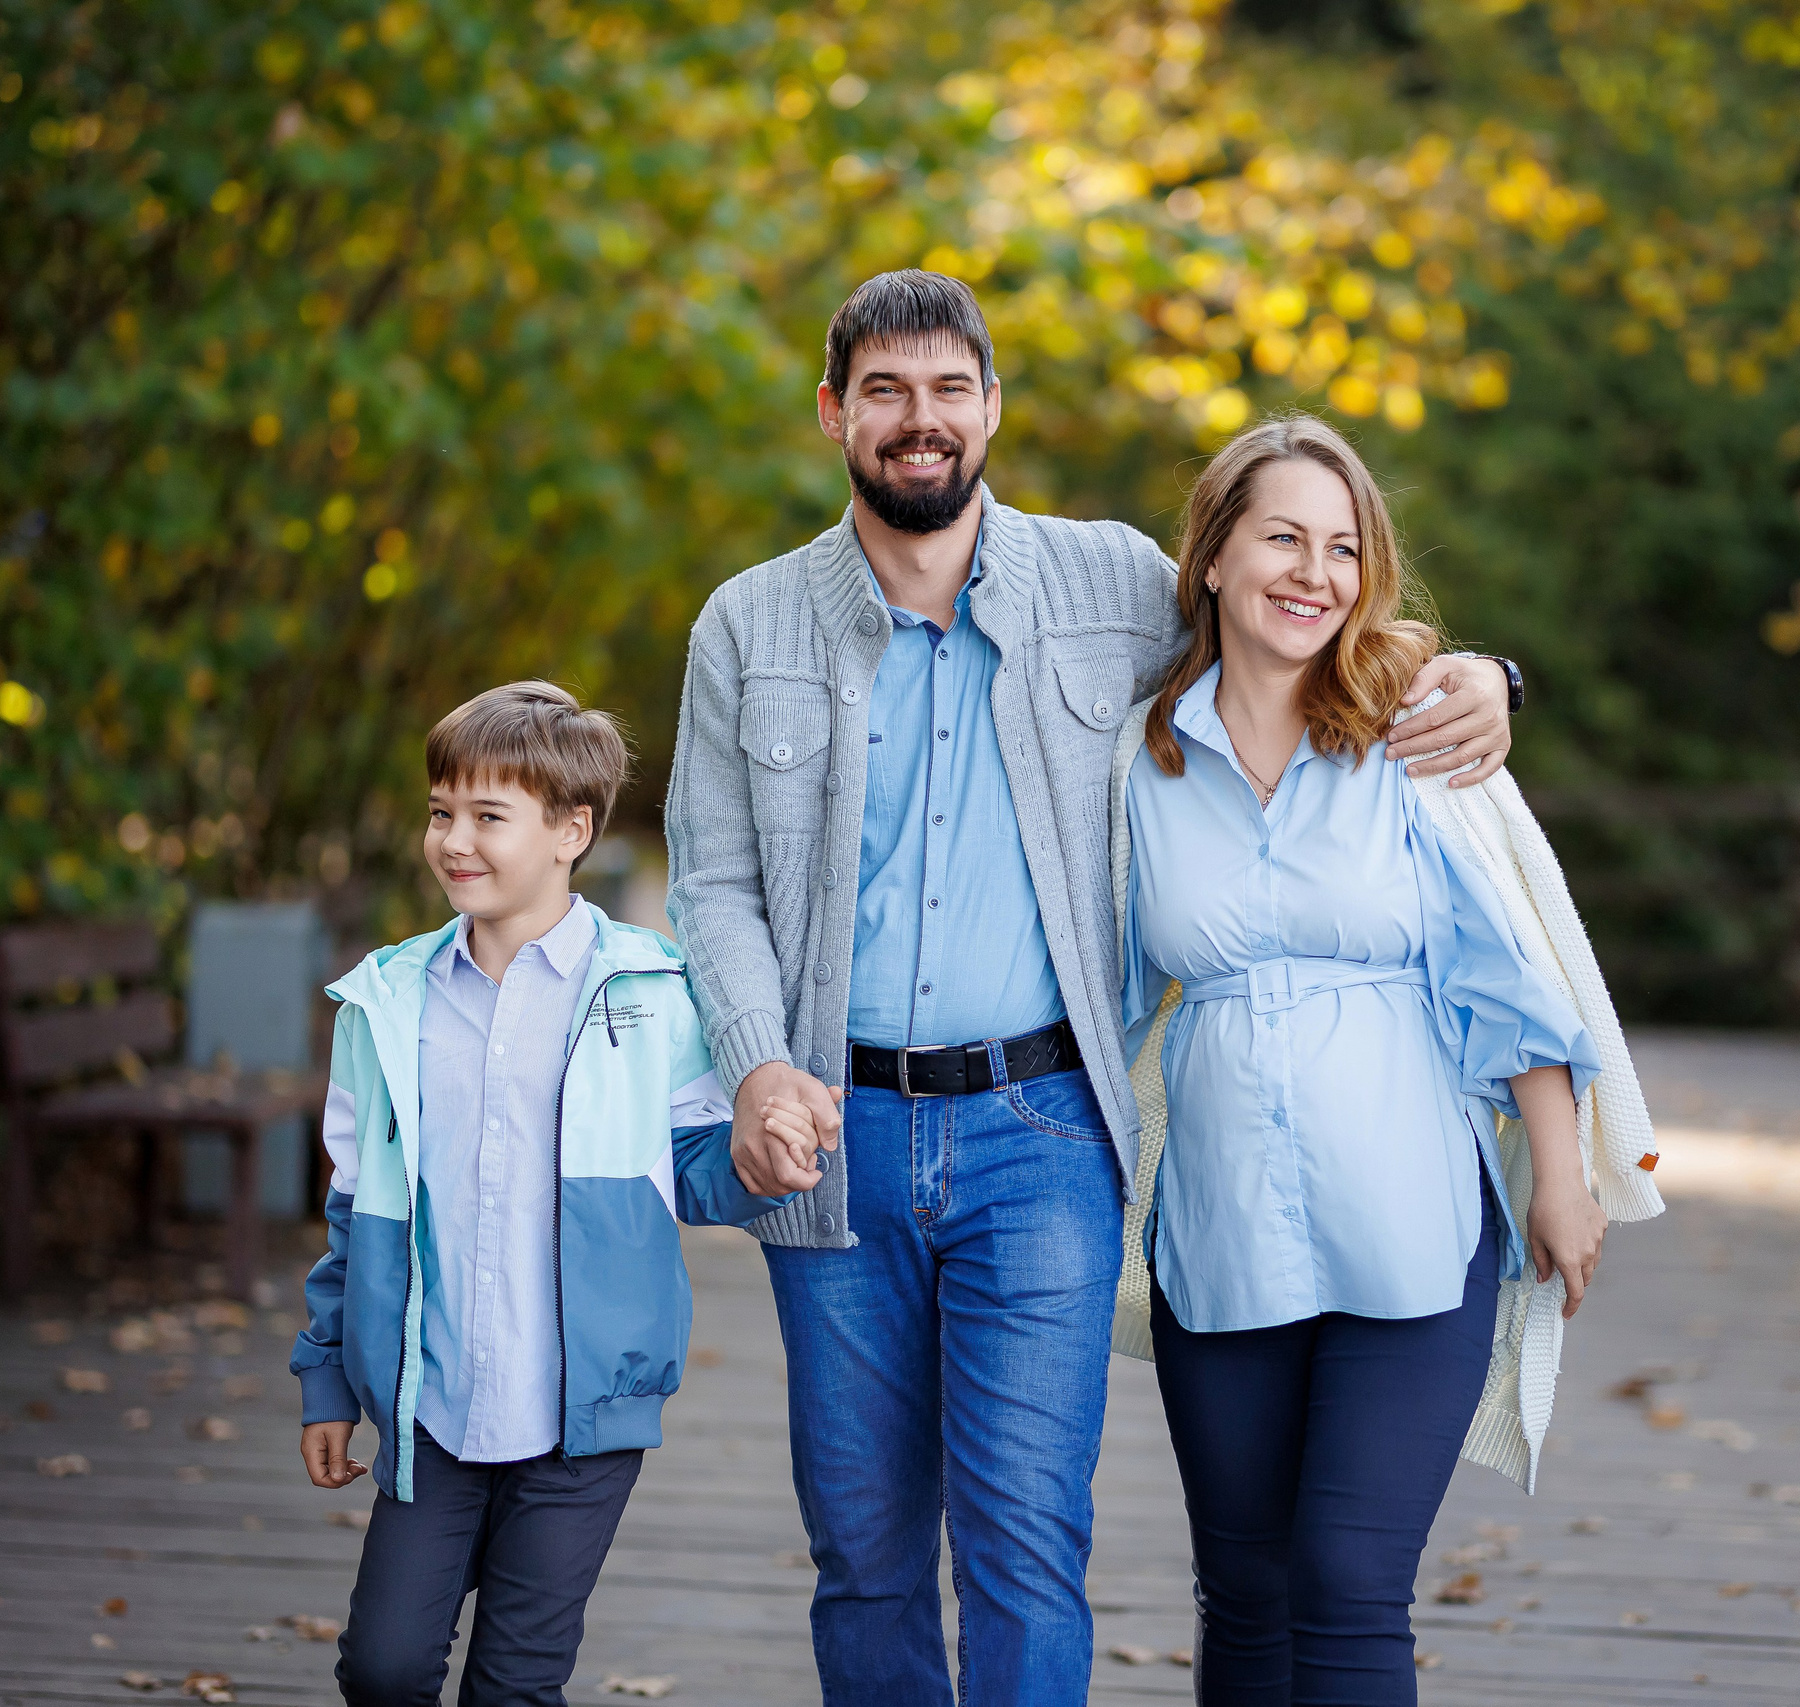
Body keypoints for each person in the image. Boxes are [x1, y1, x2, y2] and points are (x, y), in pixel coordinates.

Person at [662, 271, 1523, 1705]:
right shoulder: (748, 626)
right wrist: (755, 1063)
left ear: (993, 407)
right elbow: (714, 883)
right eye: (885, 390)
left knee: (1025, 1545)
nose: (919, 420)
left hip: (1042, 1126)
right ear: (834, 413)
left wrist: (1487, 670)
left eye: (950, 389)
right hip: (833, 1133)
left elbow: (1294, 621)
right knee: (864, 1547)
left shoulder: (1113, 581)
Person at [1102, 415, 1663, 1702]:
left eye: (1344, 548)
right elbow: (1107, 987)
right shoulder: (1137, 760)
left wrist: (1561, 1177)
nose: (1316, 573)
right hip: (1222, 1236)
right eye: (1284, 537)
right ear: (1212, 557)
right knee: (1241, 1596)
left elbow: (1508, 975)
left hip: (1412, 1229)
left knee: (1349, 1585)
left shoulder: (1410, 735)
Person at [287, 681, 817, 1707]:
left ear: (572, 830)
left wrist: (763, 1164)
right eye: (442, 812)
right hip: (428, 1402)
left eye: (490, 816)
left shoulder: (653, 994)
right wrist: (324, 1380)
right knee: (384, 1669)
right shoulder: (386, 1003)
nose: (454, 840)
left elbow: (698, 1173)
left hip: (582, 1414)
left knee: (516, 1682)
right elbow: (357, 1213)